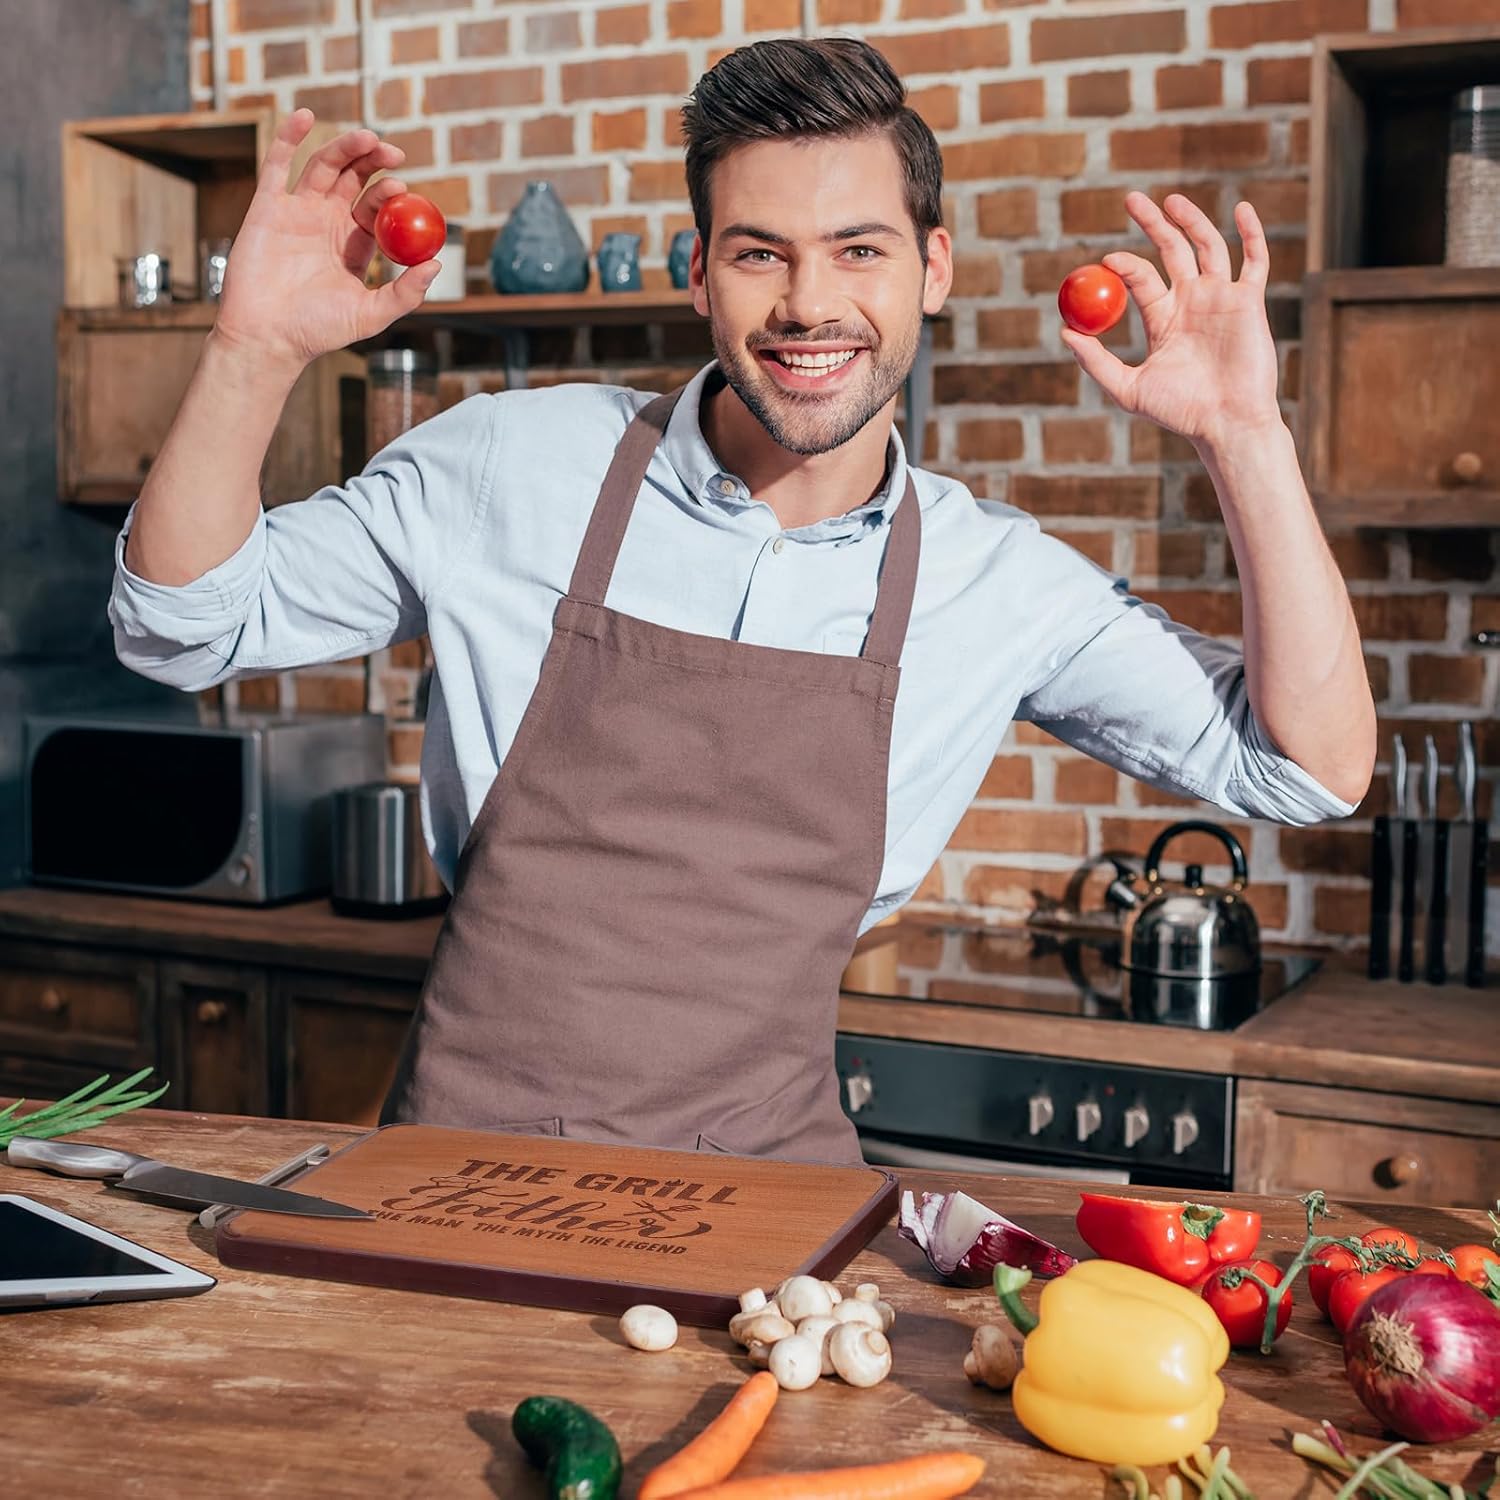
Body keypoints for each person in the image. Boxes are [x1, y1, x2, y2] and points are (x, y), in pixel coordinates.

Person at [110, 38, 1374, 1165]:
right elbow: (181, 625)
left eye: (859, 250)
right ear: (699, 270)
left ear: (932, 268)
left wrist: (1246, 434)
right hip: (459, 1184)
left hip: (769, 1223)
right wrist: (254, 351)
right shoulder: (507, 466)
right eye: (761, 252)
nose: (810, 304)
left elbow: (1310, 770)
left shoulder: (995, 581)